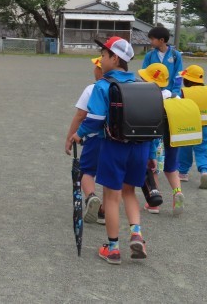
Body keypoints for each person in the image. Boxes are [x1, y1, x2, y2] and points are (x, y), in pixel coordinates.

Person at [70, 36, 149, 265]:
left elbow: (95, 119)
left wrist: (78, 134)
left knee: (111, 197)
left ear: (115, 59)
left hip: (114, 146)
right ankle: (136, 234)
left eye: (104, 55)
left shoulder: (103, 85)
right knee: (129, 192)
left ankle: (113, 249)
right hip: (140, 147)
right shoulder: (139, 84)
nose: (101, 59)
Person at [137, 62, 185, 216]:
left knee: (154, 169)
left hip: (156, 140)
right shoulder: (174, 96)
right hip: (173, 138)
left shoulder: (150, 97)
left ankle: (154, 202)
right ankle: (177, 192)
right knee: (171, 168)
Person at [65, 57, 105, 224]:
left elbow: (80, 115)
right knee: (109, 176)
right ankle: (104, 212)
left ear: (100, 70)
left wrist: (70, 137)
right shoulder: (123, 87)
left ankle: (91, 196)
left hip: (94, 138)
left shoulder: (92, 89)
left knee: (86, 171)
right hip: (116, 140)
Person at [177, 65, 207, 189]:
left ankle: (183, 173)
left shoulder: (183, 93)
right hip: (205, 129)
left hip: (187, 129)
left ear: (187, 80)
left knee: (184, 151)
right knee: (203, 151)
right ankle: (204, 171)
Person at [142, 26, 183, 96]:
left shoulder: (175, 55)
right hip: (153, 93)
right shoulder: (149, 55)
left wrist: (175, 93)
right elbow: (144, 75)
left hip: (170, 93)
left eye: (152, 39)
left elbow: (178, 76)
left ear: (161, 40)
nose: (150, 42)